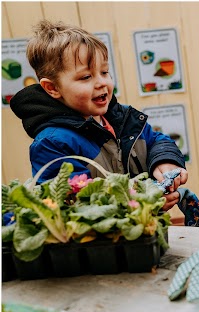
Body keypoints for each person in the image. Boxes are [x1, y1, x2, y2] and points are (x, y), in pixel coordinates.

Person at [10, 20, 187, 212]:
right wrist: (143, 203)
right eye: (86, 77)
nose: (101, 82)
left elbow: (156, 140)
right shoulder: (53, 144)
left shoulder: (122, 118)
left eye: (104, 72)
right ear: (52, 88)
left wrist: (164, 160)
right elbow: (75, 209)